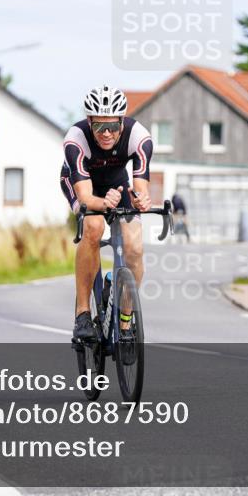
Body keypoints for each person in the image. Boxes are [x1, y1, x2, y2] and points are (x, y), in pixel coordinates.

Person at [60, 85, 154, 341]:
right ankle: (82, 314)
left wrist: (142, 199)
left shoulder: (139, 136)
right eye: (99, 126)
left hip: (117, 184)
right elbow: (85, 196)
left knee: (134, 247)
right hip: (82, 185)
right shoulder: (76, 139)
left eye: (112, 126)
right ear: (89, 122)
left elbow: (140, 187)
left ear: (122, 121)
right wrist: (102, 204)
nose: (106, 133)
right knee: (93, 228)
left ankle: (125, 321)